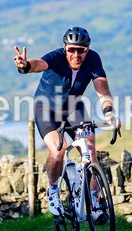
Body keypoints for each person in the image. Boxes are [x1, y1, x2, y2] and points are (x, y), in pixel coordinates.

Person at [13, 26, 120, 218]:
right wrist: (25, 65)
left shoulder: (94, 59)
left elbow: (102, 90)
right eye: (72, 49)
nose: (76, 54)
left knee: (90, 149)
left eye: (81, 50)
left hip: (73, 107)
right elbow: (38, 64)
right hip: (46, 108)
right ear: (65, 48)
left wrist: (110, 112)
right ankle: (53, 191)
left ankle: (95, 200)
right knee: (58, 149)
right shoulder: (56, 57)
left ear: (87, 49)